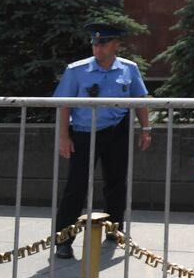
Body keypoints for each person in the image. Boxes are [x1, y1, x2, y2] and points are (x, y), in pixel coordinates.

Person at [53, 22, 152, 259]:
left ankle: (114, 229)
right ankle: (63, 239)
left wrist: (146, 129)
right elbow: (64, 104)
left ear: (116, 44)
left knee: (116, 183)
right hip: (84, 132)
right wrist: (64, 136)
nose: (98, 48)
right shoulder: (76, 70)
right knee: (76, 185)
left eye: (104, 43)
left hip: (118, 131)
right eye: (95, 43)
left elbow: (140, 99)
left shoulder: (129, 69)